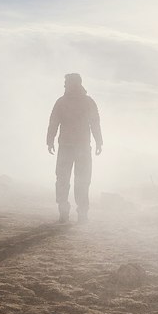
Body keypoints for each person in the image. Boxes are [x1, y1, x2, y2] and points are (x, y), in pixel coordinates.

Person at [46, 72, 102, 224]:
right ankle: (67, 212)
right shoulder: (65, 102)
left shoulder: (77, 102)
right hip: (69, 147)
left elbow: (94, 122)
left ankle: (80, 213)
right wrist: (49, 140)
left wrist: (99, 141)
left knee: (80, 181)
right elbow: (54, 122)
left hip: (78, 147)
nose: (65, 86)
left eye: (67, 83)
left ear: (75, 84)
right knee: (66, 180)